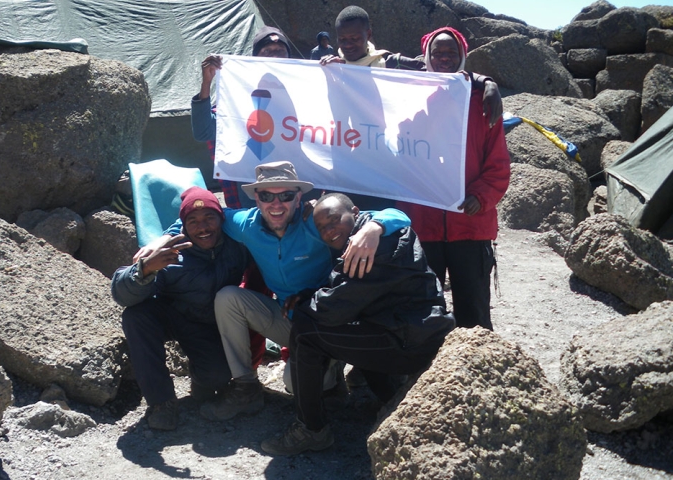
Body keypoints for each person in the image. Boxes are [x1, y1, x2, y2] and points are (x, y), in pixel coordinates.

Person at [141, 161, 411, 421]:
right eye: (267, 195)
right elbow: (203, 216)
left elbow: (399, 217)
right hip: (289, 320)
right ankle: (246, 387)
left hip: (328, 319)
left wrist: (375, 227)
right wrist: (166, 236)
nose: (276, 203)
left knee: (294, 383)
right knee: (229, 298)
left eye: (286, 195)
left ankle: (334, 371)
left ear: (298, 198)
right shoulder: (245, 224)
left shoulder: (315, 222)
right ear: (256, 199)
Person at [261, 193, 455, 455]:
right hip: (412, 330)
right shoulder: (372, 233)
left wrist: (307, 303)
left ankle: (312, 429)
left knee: (307, 331)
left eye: (334, 220)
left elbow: (332, 310)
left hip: (411, 341)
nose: (329, 231)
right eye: (322, 227)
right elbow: (346, 291)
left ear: (354, 211)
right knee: (357, 322)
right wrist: (310, 295)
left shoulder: (374, 246)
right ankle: (392, 400)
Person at [397, 27, 511, 331]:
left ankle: (475, 366)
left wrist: (481, 197)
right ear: (427, 57)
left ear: (463, 55)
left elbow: (498, 164)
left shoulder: (482, 101)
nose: (444, 58)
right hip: (422, 224)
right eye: (437, 53)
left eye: (451, 53)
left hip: (470, 225)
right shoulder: (407, 97)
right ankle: (423, 370)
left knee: (472, 311)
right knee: (422, 307)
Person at [111, 187, 249, 430]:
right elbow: (121, 294)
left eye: (210, 218)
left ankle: (201, 379)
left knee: (217, 378)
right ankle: (161, 402)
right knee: (136, 316)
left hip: (206, 324)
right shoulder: (171, 251)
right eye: (193, 221)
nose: (203, 227)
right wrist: (145, 270)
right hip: (170, 315)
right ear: (184, 225)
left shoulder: (238, 246)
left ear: (221, 220)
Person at [320, 5, 502, 127]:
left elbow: (436, 69)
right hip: (347, 141)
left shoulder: (389, 62)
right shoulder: (335, 66)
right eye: (342, 39)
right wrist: (327, 69)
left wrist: (487, 82)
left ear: (368, 34)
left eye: (355, 38)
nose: (348, 45)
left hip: (379, 144)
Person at [192, 26, 292, 209]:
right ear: (255, 57)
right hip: (252, 194)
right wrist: (206, 83)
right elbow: (203, 131)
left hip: (295, 190)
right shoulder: (239, 99)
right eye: (267, 51)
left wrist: (339, 75)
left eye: (280, 51)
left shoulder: (305, 93)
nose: (275, 56)